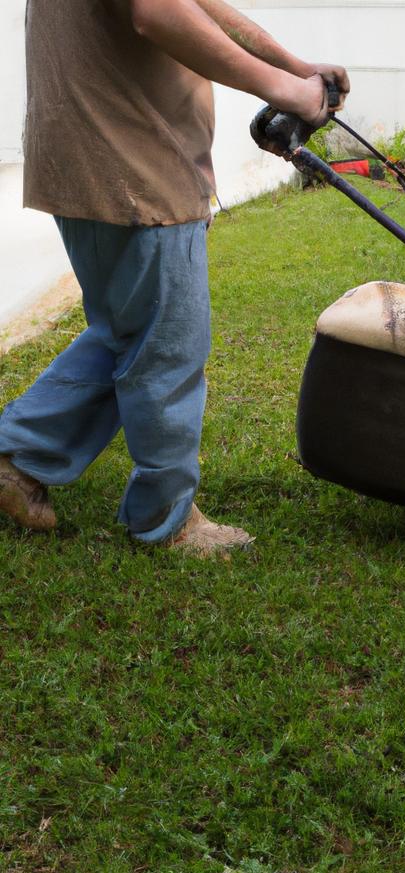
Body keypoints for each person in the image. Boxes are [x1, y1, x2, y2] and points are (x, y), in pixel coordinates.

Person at [0, 0, 348, 555]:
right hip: (131, 160)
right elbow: (157, 12)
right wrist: (282, 90)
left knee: (125, 332)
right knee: (168, 348)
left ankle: (17, 459)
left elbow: (195, 4)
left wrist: (292, 67)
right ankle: (167, 519)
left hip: (94, 154)